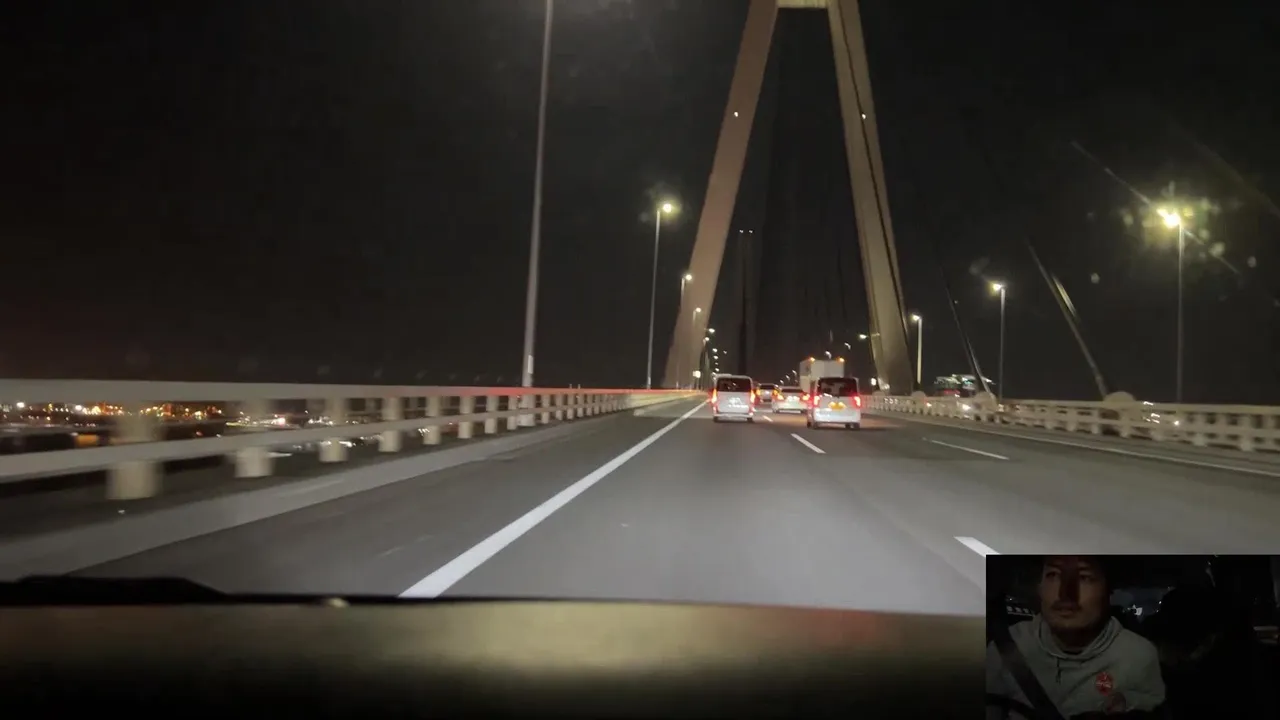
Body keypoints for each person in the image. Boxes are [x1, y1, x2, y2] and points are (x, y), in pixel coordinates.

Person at [986, 556, 1166, 718]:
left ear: (1107, 591)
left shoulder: (1138, 657)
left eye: (1084, 577)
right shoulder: (1006, 648)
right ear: (1039, 587)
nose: (1066, 594)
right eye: (1053, 575)